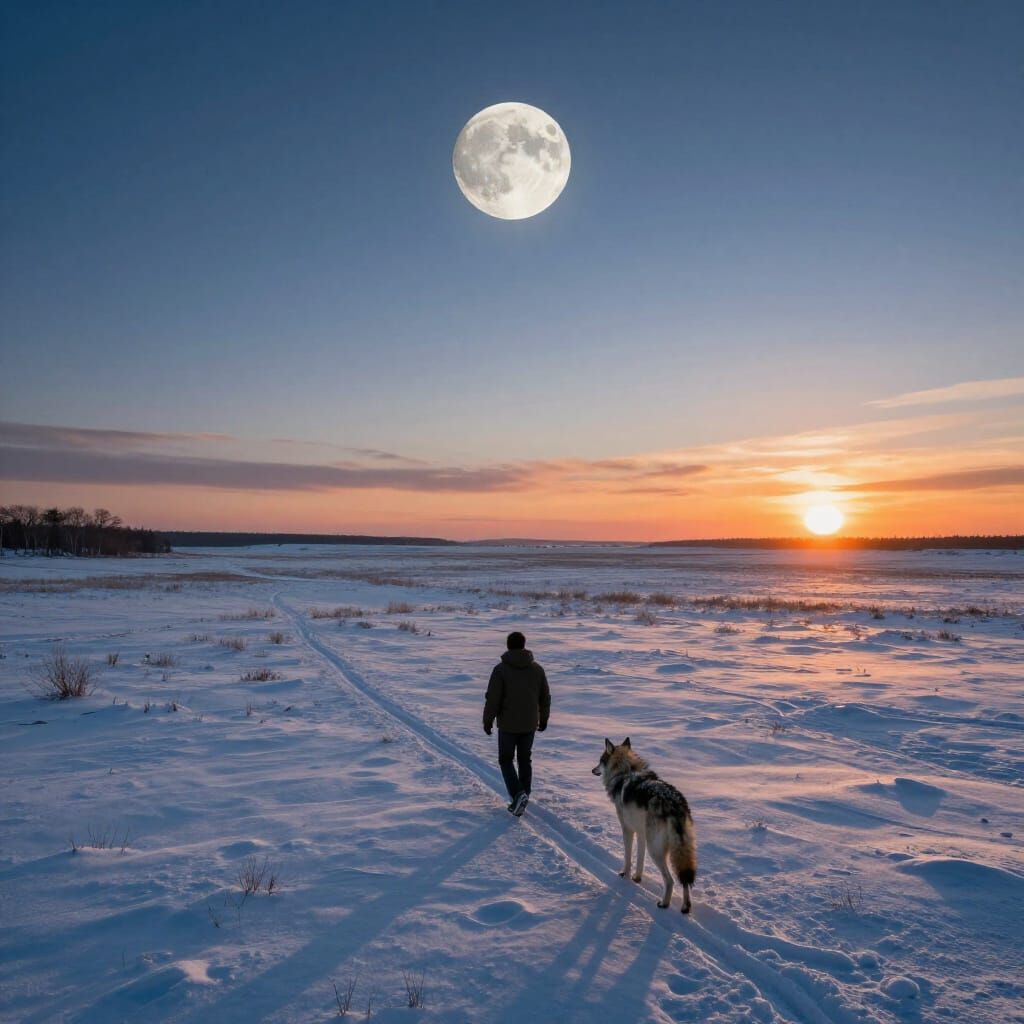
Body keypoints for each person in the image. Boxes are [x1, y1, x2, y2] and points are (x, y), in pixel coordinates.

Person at [483, 631, 550, 817]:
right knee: (524, 759)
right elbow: (545, 697)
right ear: (524, 645)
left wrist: (487, 720)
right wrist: (544, 718)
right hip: (529, 724)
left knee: (506, 759)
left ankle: (518, 794)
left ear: (508, 646)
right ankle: (524, 796)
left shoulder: (501, 670)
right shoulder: (537, 669)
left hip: (508, 725)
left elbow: (493, 700)